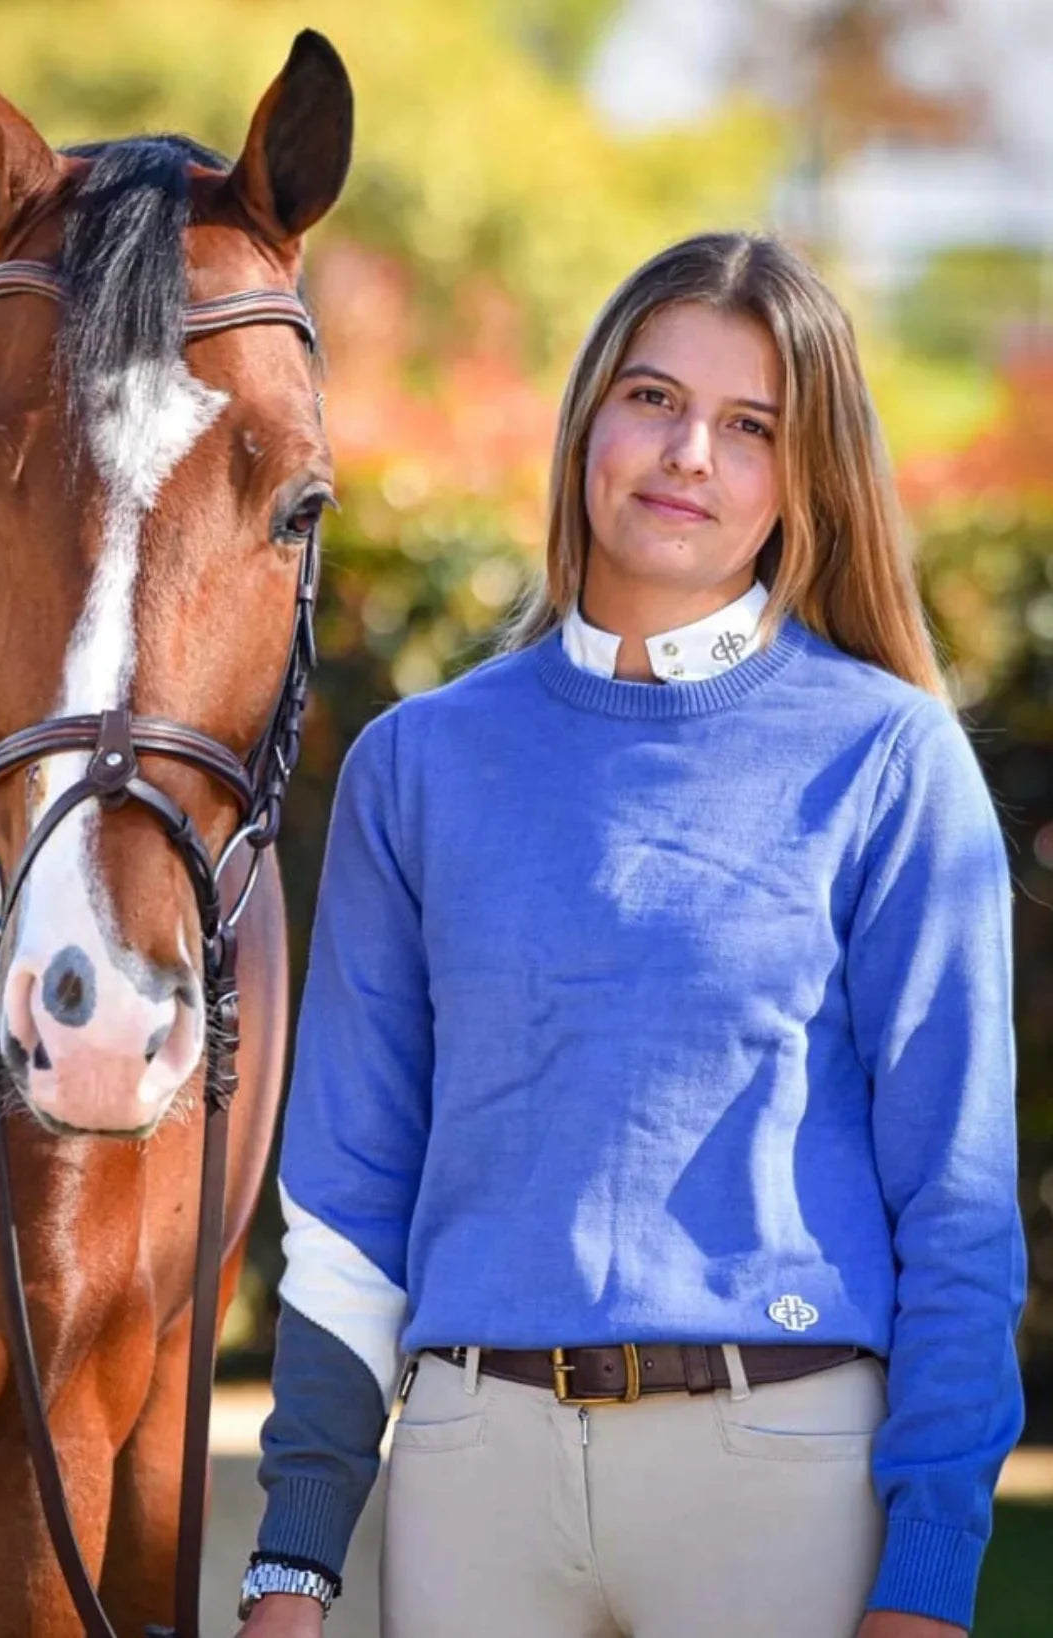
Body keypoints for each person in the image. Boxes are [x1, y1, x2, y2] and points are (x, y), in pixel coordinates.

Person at [233, 232, 1027, 1638]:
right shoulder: (418, 766)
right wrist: (292, 1560)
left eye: (750, 426)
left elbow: (955, 1212)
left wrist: (931, 1575)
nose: (689, 455)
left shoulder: (890, 760)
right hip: (474, 1479)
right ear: (589, 415)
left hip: (779, 1476)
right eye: (655, 399)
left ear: (803, 476)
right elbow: (351, 1196)